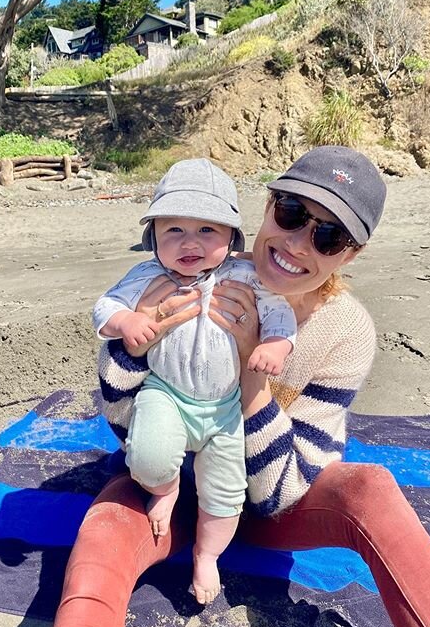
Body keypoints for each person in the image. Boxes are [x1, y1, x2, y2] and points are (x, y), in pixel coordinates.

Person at [44, 146, 430, 627]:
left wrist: (252, 376)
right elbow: (123, 421)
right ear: (265, 208)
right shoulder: (192, 269)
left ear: (348, 256)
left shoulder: (344, 332)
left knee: (371, 489)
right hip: (162, 486)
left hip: (265, 502)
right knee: (101, 540)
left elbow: (277, 495)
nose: (297, 243)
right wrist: (136, 339)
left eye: (328, 237)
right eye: (290, 213)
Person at [92, 158, 296, 603]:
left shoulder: (245, 276)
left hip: (225, 408)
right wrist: (127, 320)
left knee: (227, 495)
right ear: (153, 239)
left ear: (231, 238)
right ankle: (165, 489)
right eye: (174, 231)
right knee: (146, 458)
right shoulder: (146, 277)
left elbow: (280, 312)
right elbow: (103, 309)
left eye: (207, 230)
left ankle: (206, 556)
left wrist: (275, 344)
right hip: (167, 394)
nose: (190, 243)